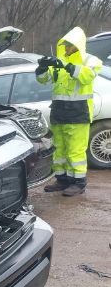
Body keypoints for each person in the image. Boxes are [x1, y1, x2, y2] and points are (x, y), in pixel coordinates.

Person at [36, 27, 103, 196]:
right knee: (60, 149)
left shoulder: (90, 60)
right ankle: (62, 179)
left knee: (75, 151)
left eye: (69, 45)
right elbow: (44, 80)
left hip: (78, 113)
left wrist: (66, 65)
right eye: (64, 45)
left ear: (77, 45)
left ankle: (79, 183)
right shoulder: (59, 61)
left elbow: (86, 76)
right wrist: (41, 69)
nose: (65, 48)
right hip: (59, 112)